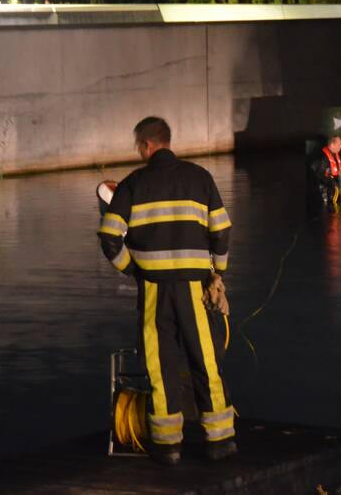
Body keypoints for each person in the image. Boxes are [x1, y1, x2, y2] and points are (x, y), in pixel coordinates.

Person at [97, 116, 236, 466]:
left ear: (146, 146)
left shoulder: (132, 184)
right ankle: (219, 442)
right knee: (206, 361)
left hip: (154, 290)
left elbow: (110, 236)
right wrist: (217, 272)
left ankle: (168, 446)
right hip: (195, 289)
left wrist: (132, 269)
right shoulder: (199, 178)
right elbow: (221, 230)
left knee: (161, 365)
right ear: (166, 141)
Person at [309, 134, 341, 211]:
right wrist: (330, 182)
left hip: (333, 190)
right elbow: (316, 172)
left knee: (335, 208)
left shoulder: (337, 155)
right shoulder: (322, 157)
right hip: (323, 191)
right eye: (339, 144)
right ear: (332, 145)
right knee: (326, 209)